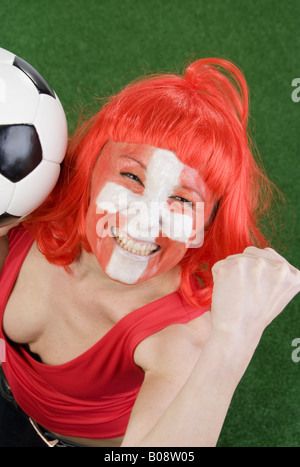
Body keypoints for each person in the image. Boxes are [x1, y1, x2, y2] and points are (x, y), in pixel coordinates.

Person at [0, 57, 299, 448]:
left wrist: (233, 341)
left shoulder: (179, 336)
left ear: (208, 224)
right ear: (91, 168)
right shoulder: (28, 210)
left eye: (181, 199)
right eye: (131, 176)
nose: (144, 222)